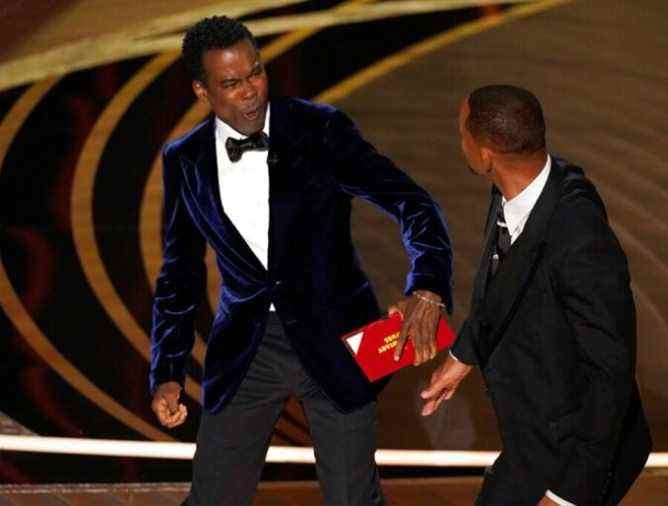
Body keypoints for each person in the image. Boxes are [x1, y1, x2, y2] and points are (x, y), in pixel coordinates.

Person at [149, 16, 453, 506]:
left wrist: (428, 286)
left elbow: (414, 204)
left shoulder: (321, 130)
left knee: (354, 500)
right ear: (202, 91)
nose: (250, 91)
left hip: (338, 340)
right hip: (248, 350)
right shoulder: (184, 160)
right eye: (231, 83)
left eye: (256, 73)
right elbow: (179, 273)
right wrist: (167, 368)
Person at [420, 85, 651, 506]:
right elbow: (507, 280)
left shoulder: (580, 239)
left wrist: (567, 496)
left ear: (486, 154)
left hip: (576, 454)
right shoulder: (525, 191)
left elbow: (611, 374)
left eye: (462, 134)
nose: (461, 143)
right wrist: (465, 354)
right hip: (533, 436)